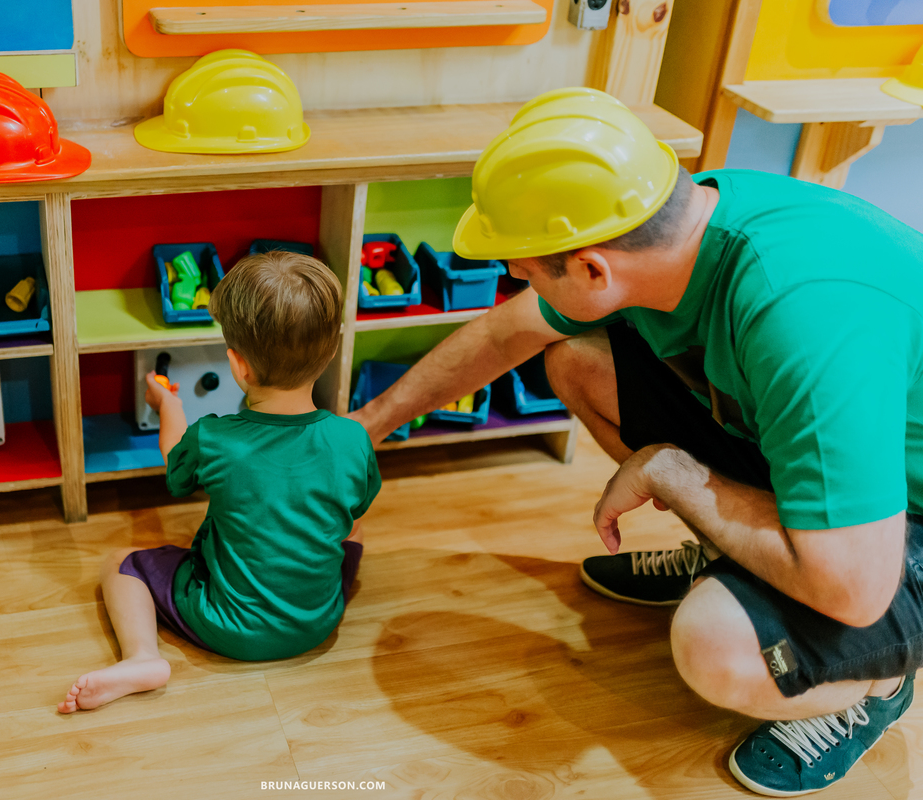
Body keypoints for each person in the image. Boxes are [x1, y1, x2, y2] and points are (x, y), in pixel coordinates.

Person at [348, 86, 923, 795]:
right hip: (844, 466)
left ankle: (876, 685)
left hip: (891, 533)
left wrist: (675, 472)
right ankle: (738, 555)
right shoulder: (682, 226)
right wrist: (363, 429)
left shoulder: (799, 316)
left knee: (714, 642)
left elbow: (854, 585)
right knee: (577, 360)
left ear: (592, 268)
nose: (512, 278)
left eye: (523, 265)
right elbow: (505, 333)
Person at [60, 251, 380, 713]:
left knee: (119, 562)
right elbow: (354, 510)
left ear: (238, 365)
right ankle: (305, 595)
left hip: (229, 627)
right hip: (318, 622)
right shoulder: (353, 437)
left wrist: (169, 407)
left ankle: (142, 658)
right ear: (330, 352)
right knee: (354, 525)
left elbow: (175, 466)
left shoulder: (214, 439)